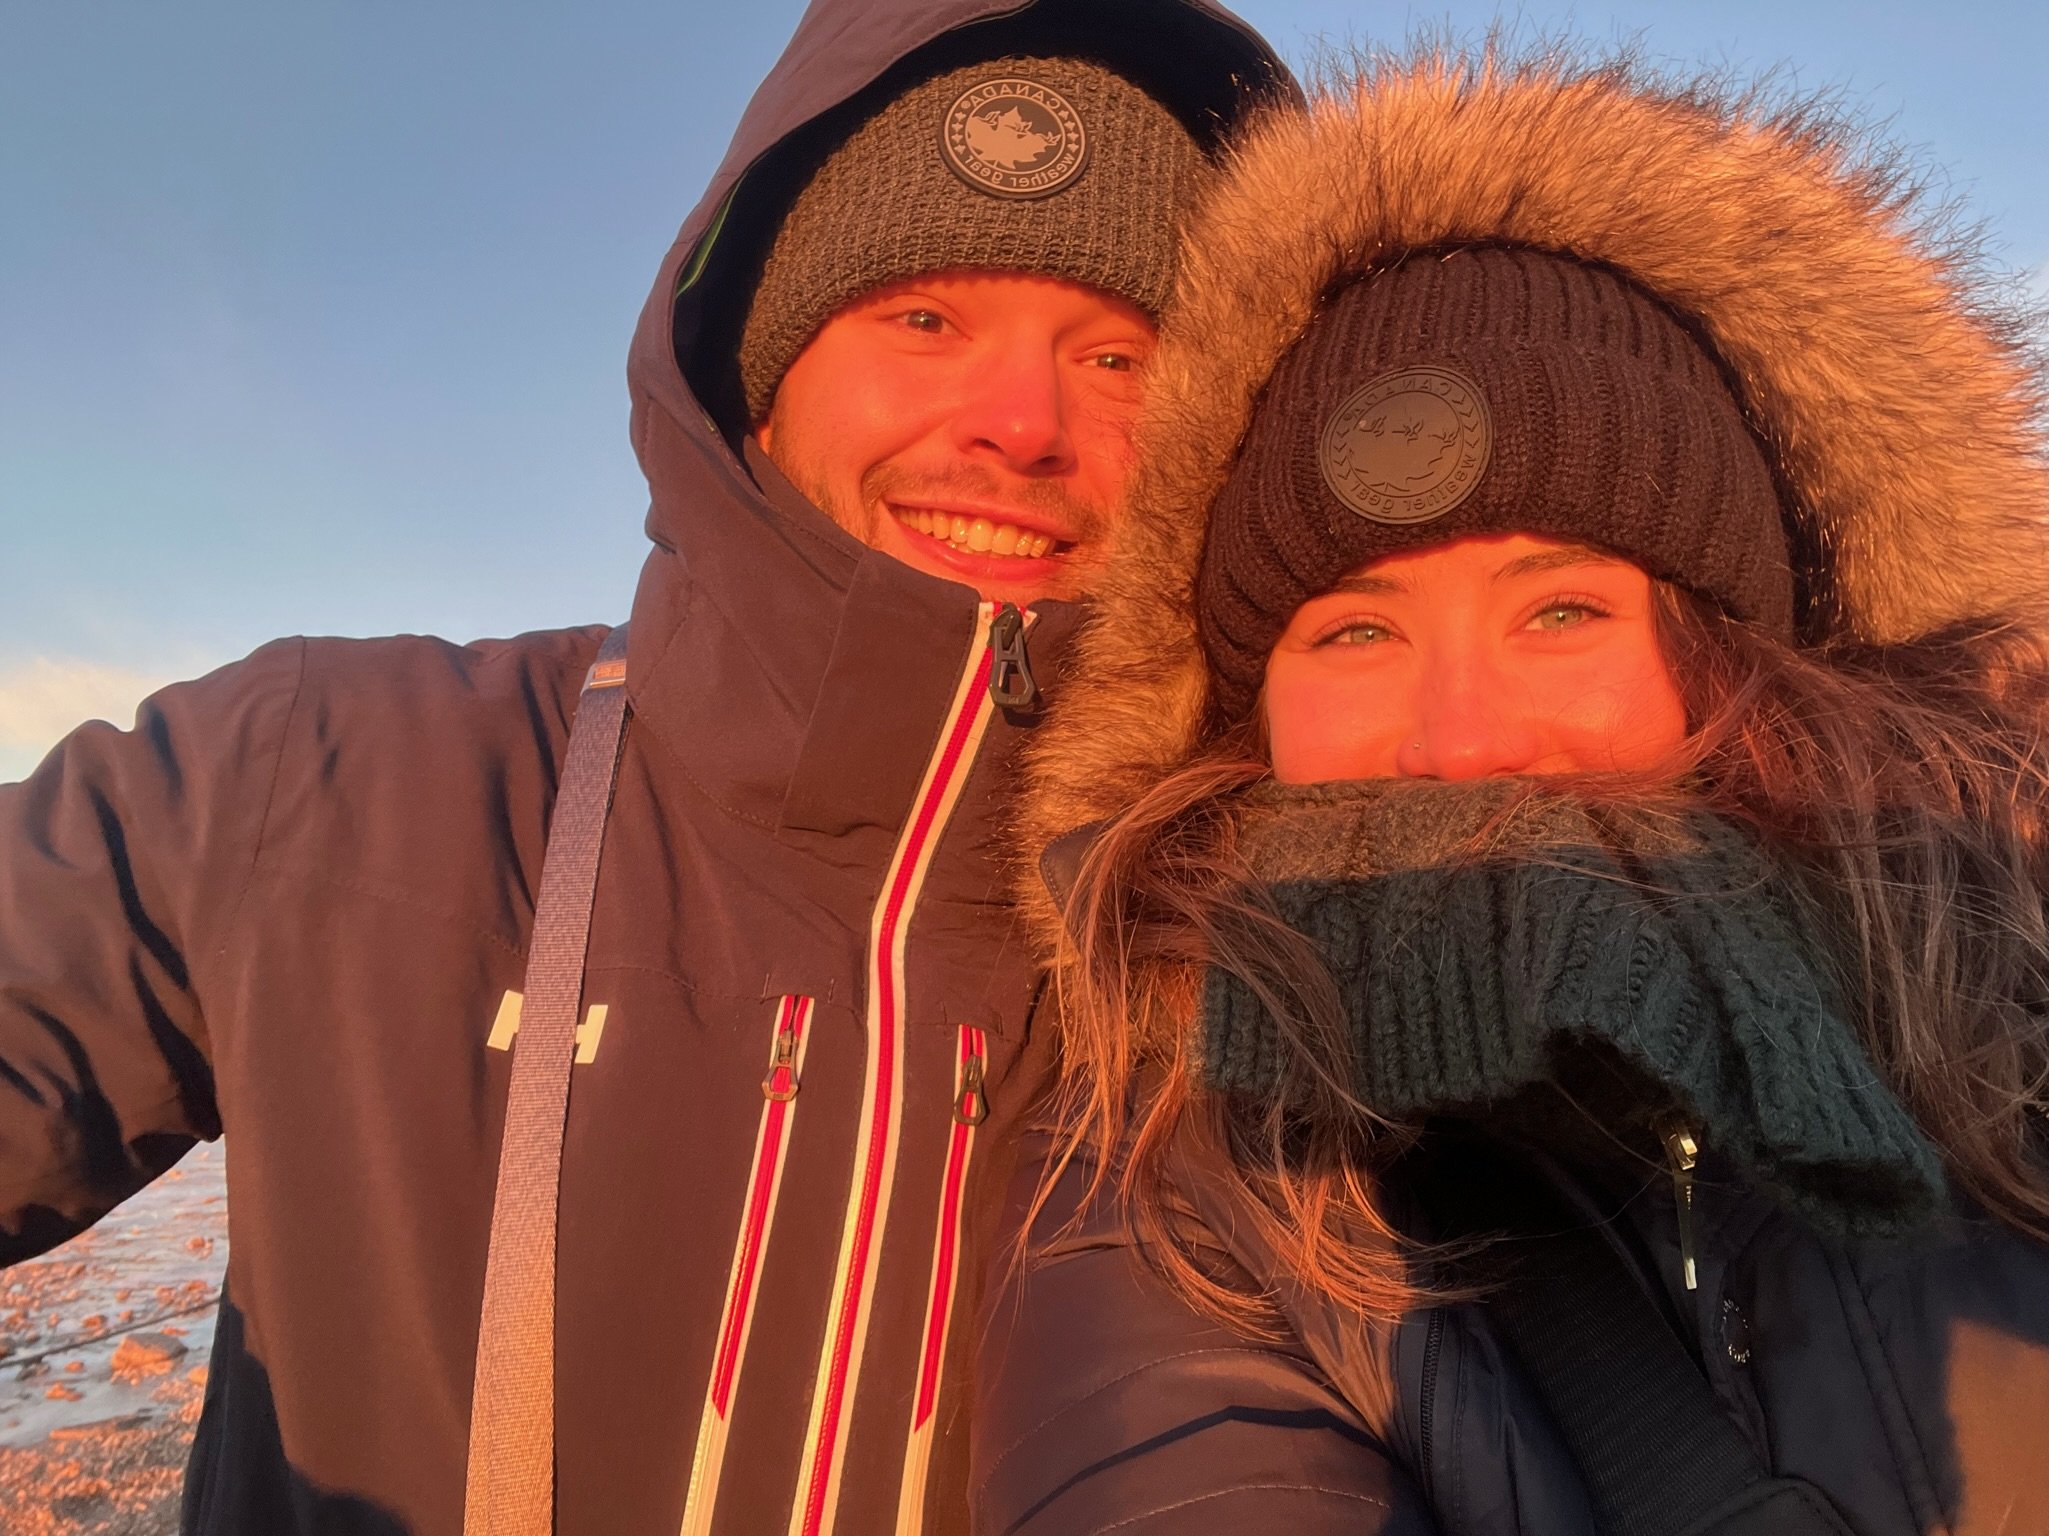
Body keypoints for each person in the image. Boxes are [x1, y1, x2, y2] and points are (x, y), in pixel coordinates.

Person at [0, 2, 1293, 1532]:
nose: (1021, 424)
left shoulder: (1249, 936)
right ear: (756, 374)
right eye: (923, 320)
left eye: (1120, 353)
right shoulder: (311, 776)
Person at [975, 43, 2048, 1535]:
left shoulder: (2009, 1023)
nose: (1461, 741)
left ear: (1741, 658)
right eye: (1355, 632)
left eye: (1562, 610)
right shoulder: (1182, 1199)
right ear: (1242, 718)